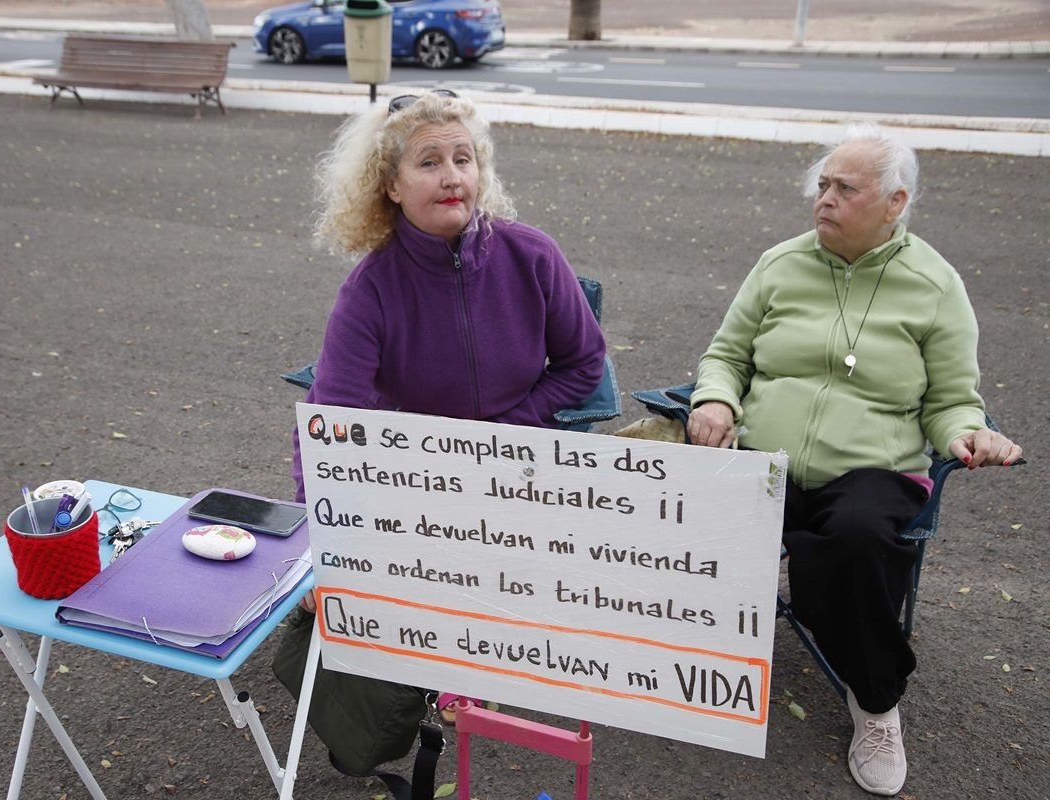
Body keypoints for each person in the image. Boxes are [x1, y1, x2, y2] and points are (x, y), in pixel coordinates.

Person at [686, 123, 1022, 797]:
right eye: (822, 185)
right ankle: (673, 668)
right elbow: (726, 356)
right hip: (763, 455)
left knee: (855, 540)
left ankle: (874, 702)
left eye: (846, 188)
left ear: (896, 203)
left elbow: (955, 399)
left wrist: (968, 434)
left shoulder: (934, 284)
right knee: (672, 509)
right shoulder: (780, 263)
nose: (824, 199)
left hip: (872, 468)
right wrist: (716, 402)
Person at [291, 89, 607, 719]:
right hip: (419, 481)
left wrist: (506, 429)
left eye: (464, 159)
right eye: (429, 162)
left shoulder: (533, 255)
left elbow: (584, 365)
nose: (453, 176)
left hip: (521, 467)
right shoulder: (370, 291)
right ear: (391, 185)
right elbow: (332, 426)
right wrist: (314, 541)